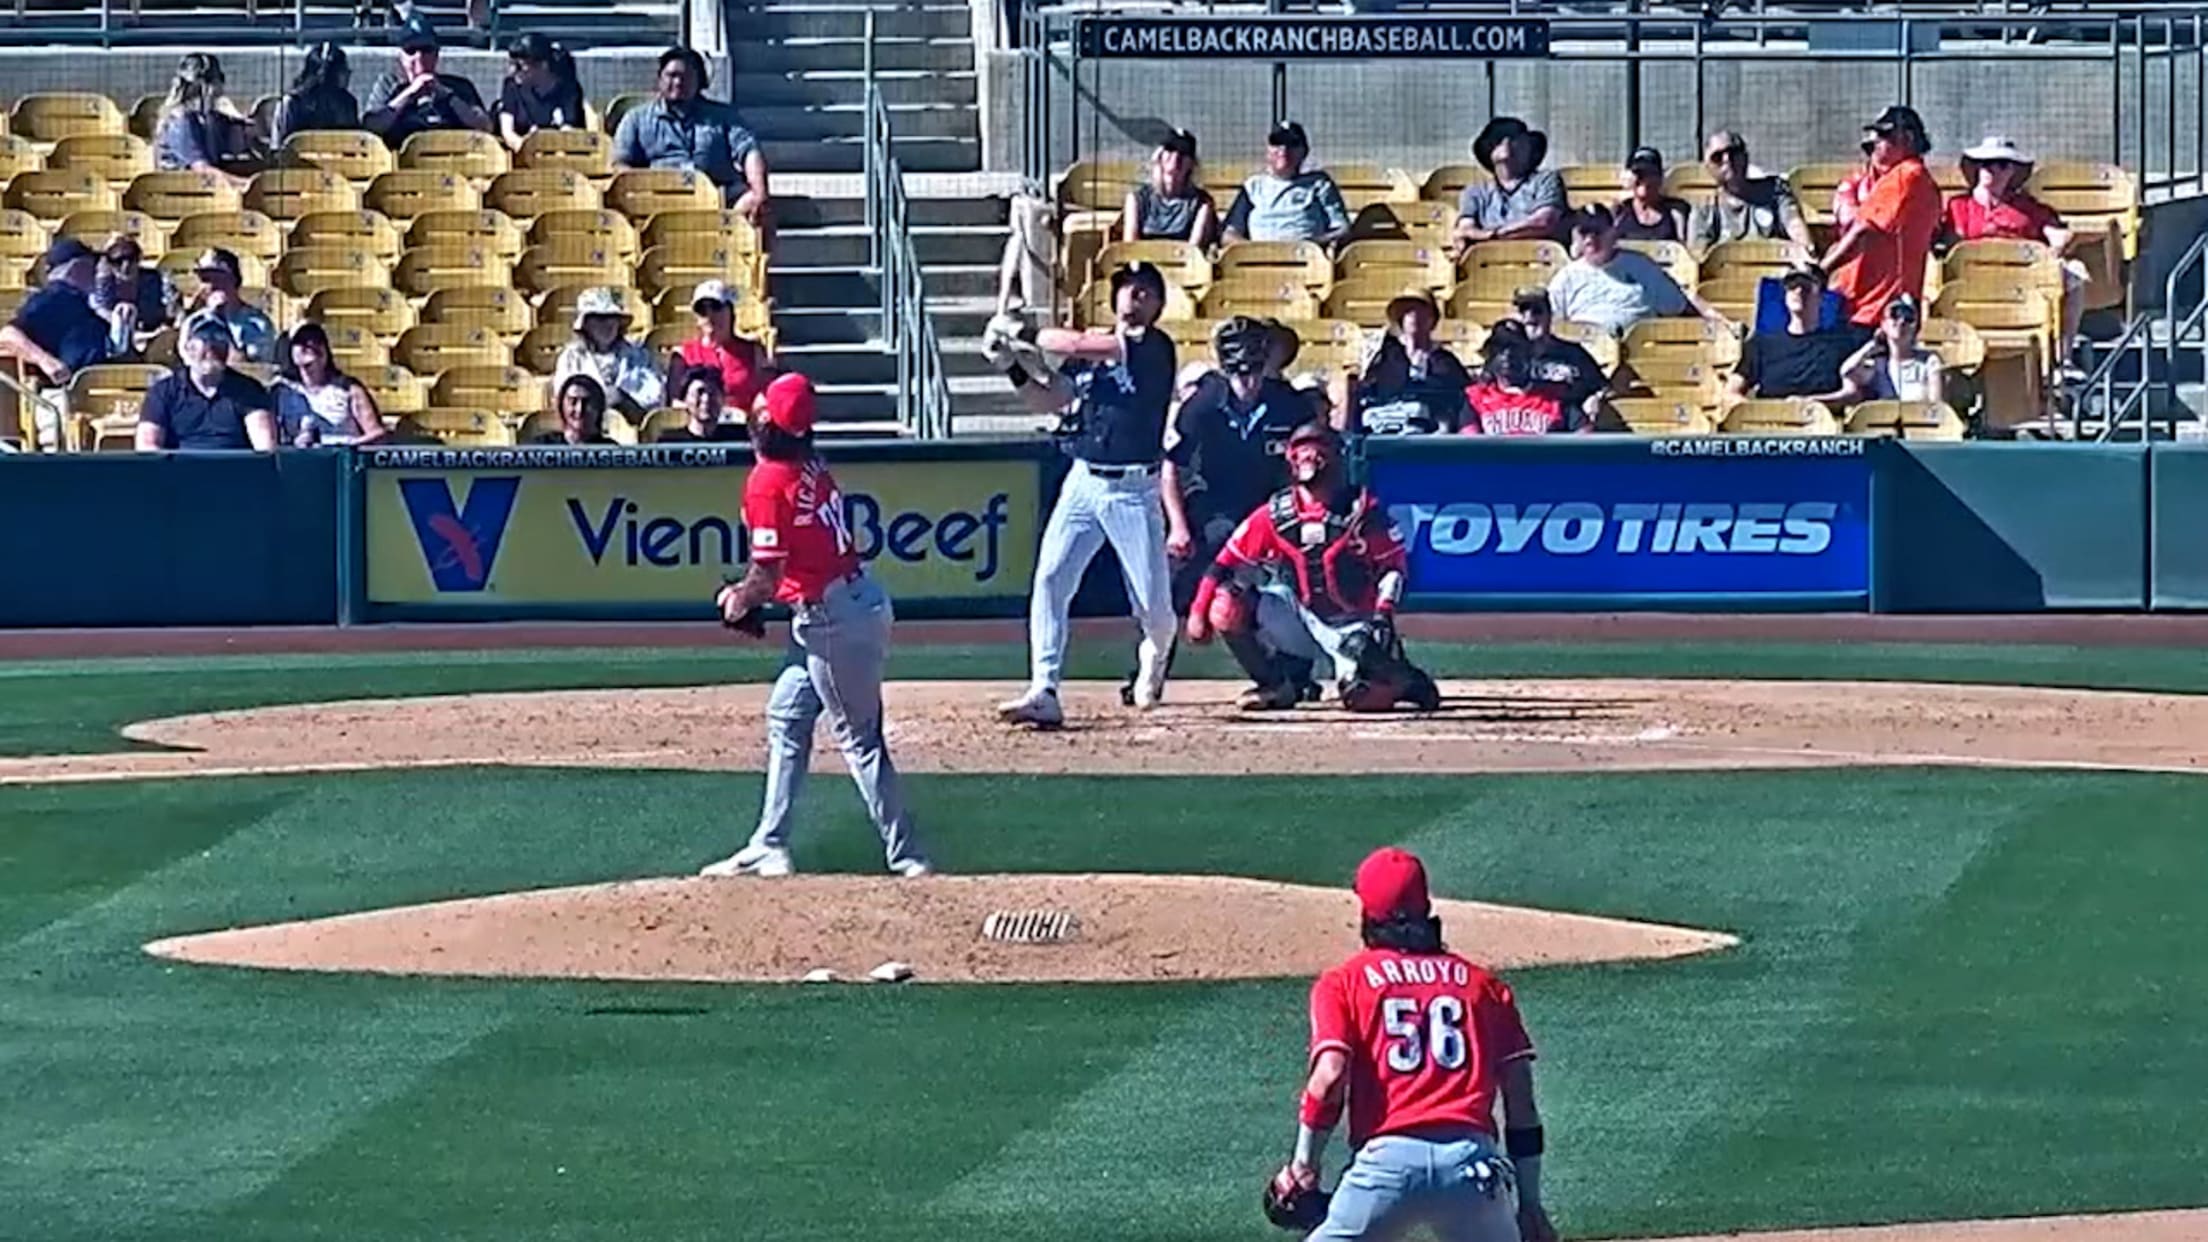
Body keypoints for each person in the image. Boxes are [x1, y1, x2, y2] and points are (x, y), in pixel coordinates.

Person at [699, 372, 933, 879]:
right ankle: (770, 843)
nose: (754, 415)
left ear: (772, 425)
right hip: (845, 605)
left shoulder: (768, 479)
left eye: (761, 412)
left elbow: (768, 573)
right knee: (786, 715)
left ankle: (910, 859)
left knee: (860, 739)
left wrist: (737, 600)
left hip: (832, 621)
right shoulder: (808, 462)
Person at [1261, 846, 1556, 1242]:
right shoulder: (1484, 987)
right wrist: (1531, 1204)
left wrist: (1302, 1167)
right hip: (1472, 1167)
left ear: (1368, 915)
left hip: (1386, 1169)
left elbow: (1329, 1079)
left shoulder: (1344, 982)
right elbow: (1521, 1102)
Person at [981, 262, 1181, 726]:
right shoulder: (1091, 357)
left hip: (1133, 489)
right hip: (1083, 480)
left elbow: (1073, 343)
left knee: (1153, 606)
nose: (1135, 300)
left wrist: (1021, 330)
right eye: (1128, 291)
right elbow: (1052, 400)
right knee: (1051, 580)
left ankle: (1154, 653)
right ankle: (1043, 688)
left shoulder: (1152, 347)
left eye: (1145, 293)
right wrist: (1010, 365)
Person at [1184, 422, 1440, 712]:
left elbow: (1393, 568)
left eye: (1318, 447)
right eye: (1301, 448)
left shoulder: (1362, 510)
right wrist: (1197, 612)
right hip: (1299, 616)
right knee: (1226, 605)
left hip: (1354, 625)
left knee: (1363, 698)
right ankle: (1274, 685)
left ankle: (1404, 680)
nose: (1310, 456)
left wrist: (1382, 615)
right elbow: (1223, 564)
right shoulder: (1274, 513)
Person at [1132, 316, 1311, 706]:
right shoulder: (1203, 405)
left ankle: (1289, 675)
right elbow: (1171, 468)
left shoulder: (1289, 404)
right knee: (1173, 584)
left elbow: (1311, 464)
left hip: (1272, 510)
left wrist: (1297, 516)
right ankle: (1150, 667)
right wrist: (1178, 526)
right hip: (1213, 509)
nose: (1248, 381)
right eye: (1239, 371)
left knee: (1286, 585)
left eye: (1255, 370)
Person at [1941, 135, 2089, 356]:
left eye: (2001, 164)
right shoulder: (1957, 206)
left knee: (2075, 271)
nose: (1992, 170)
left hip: (2024, 280)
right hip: (1973, 280)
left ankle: (2061, 356)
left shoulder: (2027, 207)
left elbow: (2058, 234)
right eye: (1985, 164)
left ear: (2012, 171)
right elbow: (1943, 243)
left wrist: (2058, 246)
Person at [613, 46, 770, 225]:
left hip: (718, 196)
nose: (678, 82)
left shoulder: (724, 115)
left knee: (757, 205)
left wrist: (760, 192)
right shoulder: (636, 118)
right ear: (659, 79)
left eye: (686, 77)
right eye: (672, 76)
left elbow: (749, 151)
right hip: (659, 198)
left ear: (700, 81)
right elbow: (621, 165)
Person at [1822, 105, 1941, 330]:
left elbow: (1862, 231)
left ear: (1907, 137)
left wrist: (1822, 270)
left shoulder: (1906, 175)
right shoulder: (1905, 179)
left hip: (1875, 311)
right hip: (1872, 308)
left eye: (1884, 135)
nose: (1876, 142)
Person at [1546, 206, 1726, 338]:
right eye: (1584, 232)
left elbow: (1680, 306)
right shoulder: (1566, 278)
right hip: (1587, 353)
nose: (1590, 239)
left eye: (1597, 231)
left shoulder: (1642, 266)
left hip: (1640, 354)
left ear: (1612, 232)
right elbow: (1551, 326)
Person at [0, 238, 109, 448]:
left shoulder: (85, 302)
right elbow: (7, 334)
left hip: (100, 394)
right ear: (78, 267)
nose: (96, 273)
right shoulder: (54, 297)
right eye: (91, 266)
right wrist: (45, 361)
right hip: (65, 395)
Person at [1726, 264, 1868, 406]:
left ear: (1821, 297)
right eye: (1792, 286)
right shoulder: (1761, 344)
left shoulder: (1842, 343)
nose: (1798, 291)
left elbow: (1853, 394)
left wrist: (1811, 403)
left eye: (1806, 287)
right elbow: (1732, 391)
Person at [134, 318, 278, 452]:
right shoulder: (163, 392)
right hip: (179, 474)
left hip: (235, 474)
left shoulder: (249, 391)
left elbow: (265, 448)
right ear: (188, 347)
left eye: (220, 339)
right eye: (205, 340)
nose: (213, 348)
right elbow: (147, 446)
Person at [361, 15, 494, 150]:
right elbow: (371, 126)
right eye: (411, 51)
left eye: (426, 50)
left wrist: (449, 97)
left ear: (436, 54)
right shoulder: (388, 85)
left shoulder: (459, 87)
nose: (419, 58)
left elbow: (485, 126)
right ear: (401, 57)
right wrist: (409, 94)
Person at [1352, 291, 1472, 435]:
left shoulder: (1445, 361)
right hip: (1388, 421)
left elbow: (1459, 397)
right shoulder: (1385, 357)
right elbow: (1373, 390)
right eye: (1408, 312)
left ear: (1432, 319)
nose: (1415, 316)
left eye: (1422, 311)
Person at [1220, 122, 1351, 246]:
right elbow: (1229, 234)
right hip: (1259, 263)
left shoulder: (1319, 184)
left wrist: (1314, 244)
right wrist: (1256, 251)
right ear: (1268, 150)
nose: (1283, 149)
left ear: (1304, 151)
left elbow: (1342, 230)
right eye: (1276, 143)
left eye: (1292, 144)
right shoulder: (1253, 187)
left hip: (1305, 261)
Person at [1452, 115, 1568, 253]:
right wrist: (1494, 235)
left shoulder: (1546, 180)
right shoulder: (1475, 192)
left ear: (1530, 149)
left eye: (1517, 139)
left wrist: (1492, 234)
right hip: (1489, 262)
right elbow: (1465, 230)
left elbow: (1543, 222)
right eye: (1499, 139)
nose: (1507, 143)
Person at [1687, 130, 1814, 252]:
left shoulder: (1775, 192)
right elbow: (1699, 255)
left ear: (1745, 157)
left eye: (1733, 152)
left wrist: (1807, 250)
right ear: (1707, 167)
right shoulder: (1703, 209)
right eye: (1717, 157)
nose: (1727, 160)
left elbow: (1794, 224)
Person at [1460, 321, 1593, 437]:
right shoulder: (1476, 398)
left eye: (1514, 347)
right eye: (1500, 348)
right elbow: (1469, 445)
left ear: (1528, 353)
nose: (1507, 355)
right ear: (1490, 355)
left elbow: (1584, 433)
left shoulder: (1555, 396)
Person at [553, 286, 665, 420]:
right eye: (599, 318)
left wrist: (623, 400)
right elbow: (564, 402)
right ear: (585, 324)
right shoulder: (571, 359)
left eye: (612, 318)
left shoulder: (640, 357)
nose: (607, 325)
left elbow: (656, 400)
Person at [1510, 287, 1613, 429]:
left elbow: (1603, 387)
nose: (1529, 317)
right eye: (1523, 311)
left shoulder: (1573, 353)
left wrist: (1595, 398)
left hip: (1569, 428)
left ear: (1550, 316)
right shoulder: (1509, 357)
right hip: (1525, 426)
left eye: (1537, 311)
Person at [152, 53, 257, 189]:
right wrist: (247, 184)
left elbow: (235, 150)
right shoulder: (180, 121)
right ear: (204, 86)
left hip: (206, 189)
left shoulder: (210, 118)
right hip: (182, 193)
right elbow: (203, 170)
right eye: (218, 79)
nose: (222, 87)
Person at [669, 279, 774, 414]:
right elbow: (674, 403)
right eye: (702, 310)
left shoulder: (754, 351)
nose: (710, 316)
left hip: (743, 428)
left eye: (716, 307)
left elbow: (766, 394)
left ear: (731, 312)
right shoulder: (683, 355)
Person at [274, 321, 386, 446]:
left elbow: (377, 434)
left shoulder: (349, 389)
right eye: (302, 341)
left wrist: (344, 446)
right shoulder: (282, 391)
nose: (311, 345)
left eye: (317, 340)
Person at [178, 248, 280, 366]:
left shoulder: (257, 324)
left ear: (234, 279)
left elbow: (251, 366)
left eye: (218, 278)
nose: (211, 285)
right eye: (205, 279)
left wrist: (221, 319)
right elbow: (191, 365)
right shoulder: (193, 323)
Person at [1840, 293, 1947, 405]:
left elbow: (1937, 406)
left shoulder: (1929, 361)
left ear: (1916, 327)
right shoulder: (1878, 364)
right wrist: (1872, 346)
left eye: (1909, 317)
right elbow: (1847, 372)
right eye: (1894, 315)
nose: (1902, 322)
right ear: (1883, 324)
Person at [1122, 128, 1215, 245]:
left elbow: (1193, 252)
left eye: (1183, 153)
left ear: (1192, 164)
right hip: (1142, 262)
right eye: (1170, 150)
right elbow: (1130, 250)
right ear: (1159, 157)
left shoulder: (1201, 204)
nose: (1175, 159)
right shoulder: (1137, 200)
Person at [496, 32, 585, 152]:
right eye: (511, 64)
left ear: (542, 65)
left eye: (519, 66)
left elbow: (568, 129)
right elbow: (507, 131)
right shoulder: (511, 86)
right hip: (521, 153)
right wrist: (526, 148)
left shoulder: (568, 89)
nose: (512, 71)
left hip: (557, 154)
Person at [91, 235, 174, 359]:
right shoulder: (101, 284)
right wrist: (103, 279)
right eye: (118, 261)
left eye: (131, 258)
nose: (126, 266)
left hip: (152, 336)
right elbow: (103, 312)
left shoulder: (156, 279)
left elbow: (171, 311)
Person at [271, 42, 360, 145]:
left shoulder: (348, 104)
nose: (348, 75)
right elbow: (279, 150)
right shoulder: (292, 104)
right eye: (343, 71)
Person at [1612, 146, 1690, 243]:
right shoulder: (1618, 214)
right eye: (1639, 174)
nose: (1645, 180)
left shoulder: (1676, 213)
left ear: (1660, 177)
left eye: (1651, 174)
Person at [651, 367, 747, 442]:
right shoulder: (670, 442)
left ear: (723, 399)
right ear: (685, 400)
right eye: (699, 392)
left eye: (712, 393)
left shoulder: (740, 438)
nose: (706, 399)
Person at [530, 373, 618, 445]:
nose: (579, 409)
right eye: (573, 401)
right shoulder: (541, 447)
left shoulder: (611, 451)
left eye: (586, 403)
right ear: (562, 406)